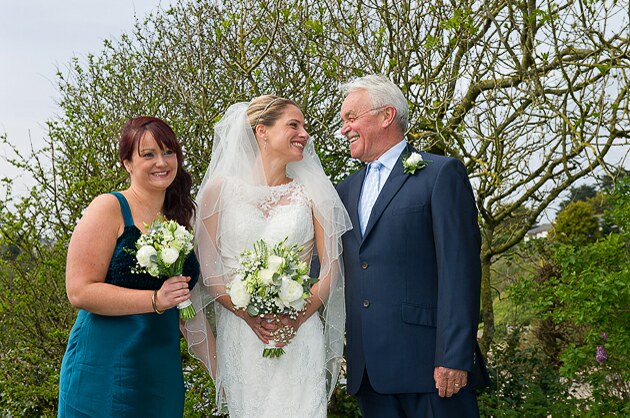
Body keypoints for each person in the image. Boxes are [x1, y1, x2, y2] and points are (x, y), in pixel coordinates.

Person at [184, 96, 352, 417]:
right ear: (262, 131)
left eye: (305, 126)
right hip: (243, 336)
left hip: (298, 335)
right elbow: (208, 271)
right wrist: (246, 313)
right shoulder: (218, 192)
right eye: (294, 125)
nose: (304, 133)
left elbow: (330, 268)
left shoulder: (311, 192)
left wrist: (299, 315)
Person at [336, 75, 490, 417]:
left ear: (386, 116)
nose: (343, 128)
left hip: (430, 370)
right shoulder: (343, 192)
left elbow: (459, 270)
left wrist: (453, 356)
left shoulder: (440, 174)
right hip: (369, 374)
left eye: (350, 118)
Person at [58, 117, 200, 417]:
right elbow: (79, 292)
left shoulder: (182, 216)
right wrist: (155, 300)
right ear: (127, 163)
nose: (161, 162)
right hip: (105, 363)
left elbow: (187, 300)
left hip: (161, 366)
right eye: (148, 154)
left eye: (168, 152)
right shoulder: (108, 208)